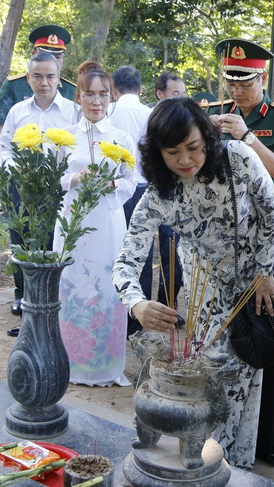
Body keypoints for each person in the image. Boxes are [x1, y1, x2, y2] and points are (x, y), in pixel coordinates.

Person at [113, 97, 274, 468]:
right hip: (205, 287)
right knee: (214, 367)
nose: (185, 160)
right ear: (158, 154)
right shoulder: (159, 192)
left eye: (193, 147)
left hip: (257, 276)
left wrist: (264, 270)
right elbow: (126, 263)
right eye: (172, 152)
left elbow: (271, 209)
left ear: (206, 138)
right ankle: (208, 460)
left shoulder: (237, 157)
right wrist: (137, 304)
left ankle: (233, 464)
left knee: (247, 369)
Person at [207, 38, 274, 468]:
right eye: (230, 81)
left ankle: (266, 442)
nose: (237, 90)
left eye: (245, 82)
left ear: (261, 77)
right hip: (219, 244)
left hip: (264, 245)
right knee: (217, 336)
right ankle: (215, 433)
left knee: (263, 338)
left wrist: (247, 137)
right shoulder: (211, 113)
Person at [54, 61, 137, 386]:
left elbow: (132, 180)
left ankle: (106, 366)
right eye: (90, 94)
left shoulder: (121, 139)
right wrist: (74, 178)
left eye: (103, 94)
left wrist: (112, 185)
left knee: (104, 285)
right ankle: (70, 363)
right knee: (72, 283)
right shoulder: (64, 138)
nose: (97, 101)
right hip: (72, 222)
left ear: (111, 97)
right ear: (79, 96)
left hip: (107, 221)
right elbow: (52, 178)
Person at [0, 50, 78, 336]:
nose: (44, 82)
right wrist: (13, 169)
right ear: (29, 78)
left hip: (60, 190)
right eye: (38, 76)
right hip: (24, 190)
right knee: (25, 248)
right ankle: (28, 316)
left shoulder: (73, 111)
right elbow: (5, 146)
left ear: (58, 79)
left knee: (54, 250)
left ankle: (57, 319)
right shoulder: (17, 111)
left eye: (50, 76)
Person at [109, 65, 180, 338]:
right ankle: (154, 314)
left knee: (128, 251)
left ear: (113, 90)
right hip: (150, 188)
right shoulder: (152, 114)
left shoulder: (108, 112)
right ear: (140, 89)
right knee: (153, 254)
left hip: (118, 190)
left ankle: (129, 312)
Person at [0, 25, 76, 188]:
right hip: (21, 180)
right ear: (34, 54)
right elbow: (1, 134)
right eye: (47, 55)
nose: (53, 61)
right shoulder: (14, 86)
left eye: (58, 57)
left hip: (61, 182)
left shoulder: (73, 91)